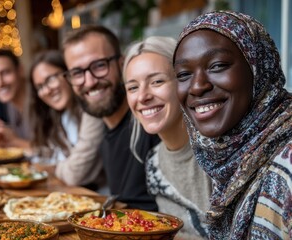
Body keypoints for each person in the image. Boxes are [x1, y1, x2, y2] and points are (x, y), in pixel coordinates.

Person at [173, 11, 292, 239]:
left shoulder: (287, 164)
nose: (197, 86)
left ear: (258, 69)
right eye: (184, 74)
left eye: (217, 66)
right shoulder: (229, 157)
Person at [62, 25, 160, 210]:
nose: (89, 82)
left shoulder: (153, 122)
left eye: (99, 65)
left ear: (122, 64)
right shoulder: (103, 132)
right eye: (77, 73)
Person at [123, 36, 211, 239]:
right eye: (133, 87)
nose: (143, 96)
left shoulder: (218, 154)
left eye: (157, 81)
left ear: (184, 82)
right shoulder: (153, 162)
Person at [28, 50, 105, 189]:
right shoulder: (63, 117)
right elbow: (44, 156)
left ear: (69, 74)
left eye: (50, 79)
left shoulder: (92, 110)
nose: (47, 90)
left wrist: (54, 168)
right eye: (40, 87)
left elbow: (74, 174)